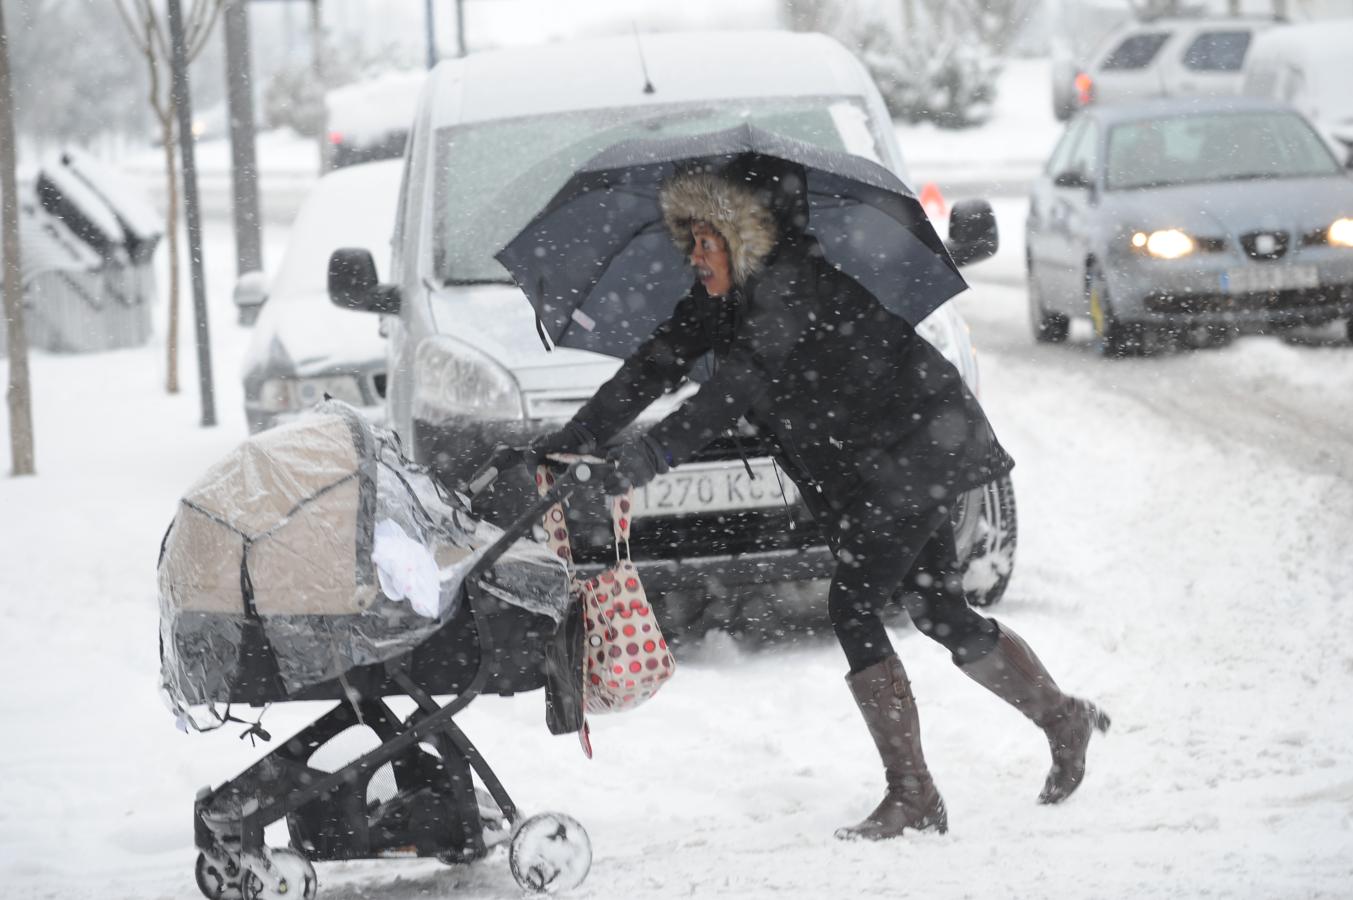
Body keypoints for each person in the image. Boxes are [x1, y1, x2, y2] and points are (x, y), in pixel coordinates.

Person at [531, 157, 1109, 839]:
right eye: (686, 242)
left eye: (705, 241)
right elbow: (654, 365)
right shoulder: (721, 300)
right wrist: (572, 441)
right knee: (937, 608)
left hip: (913, 449)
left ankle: (914, 794)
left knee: (853, 604)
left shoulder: (789, 288)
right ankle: (1061, 718)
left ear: (742, 239)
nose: (694, 257)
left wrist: (648, 457)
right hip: (883, 462)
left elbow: (734, 389)